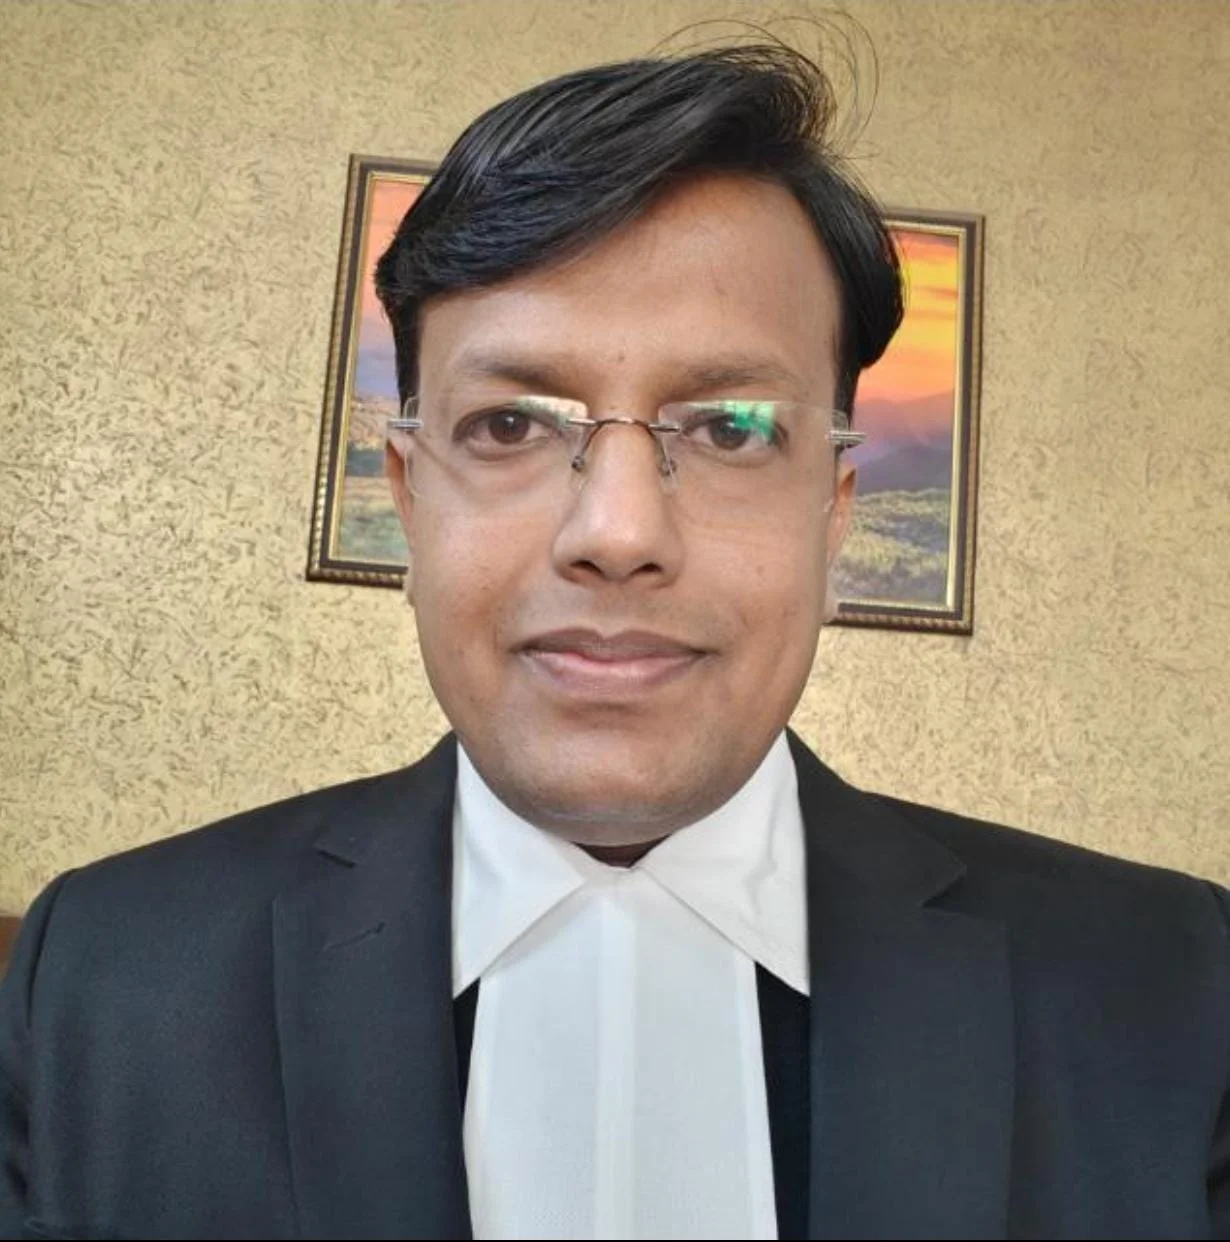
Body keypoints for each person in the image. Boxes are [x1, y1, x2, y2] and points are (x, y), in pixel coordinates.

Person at [2, 41, 1229, 1242]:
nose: (619, 532)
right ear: (410, 498)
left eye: (734, 428)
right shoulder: (104, 979)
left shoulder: (1175, 990)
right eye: (510, 426)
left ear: (833, 512)